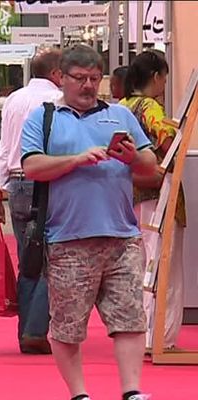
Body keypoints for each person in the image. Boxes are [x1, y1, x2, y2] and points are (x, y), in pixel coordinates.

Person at [21, 45, 156, 400]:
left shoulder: (121, 116)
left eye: (95, 79)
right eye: (80, 79)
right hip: (67, 238)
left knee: (129, 319)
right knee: (66, 327)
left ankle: (132, 391)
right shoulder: (44, 118)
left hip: (122, 235)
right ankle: (79, 394)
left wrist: (133, 157)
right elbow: (32, 167)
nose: (88, 86)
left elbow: (150, 167)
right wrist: (76, 160)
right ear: (61, 78)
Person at [0, 48, 63, 354]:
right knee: (52, 257)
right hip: (48, 181)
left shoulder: (13, 100)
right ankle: (35, 329)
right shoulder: (59, 100)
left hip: (18, 182)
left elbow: (4, 147)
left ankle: (26, 331)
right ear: (58, 73)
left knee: (27, 257)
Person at [120, 50, 186, 351]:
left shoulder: (121, 106)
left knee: (141, 265)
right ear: (157, 77)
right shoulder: (150, 107)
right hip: (159, 194)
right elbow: (167, 140)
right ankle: (161, 335)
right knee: (165, 266)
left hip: (129, 193)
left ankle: (140, 331)